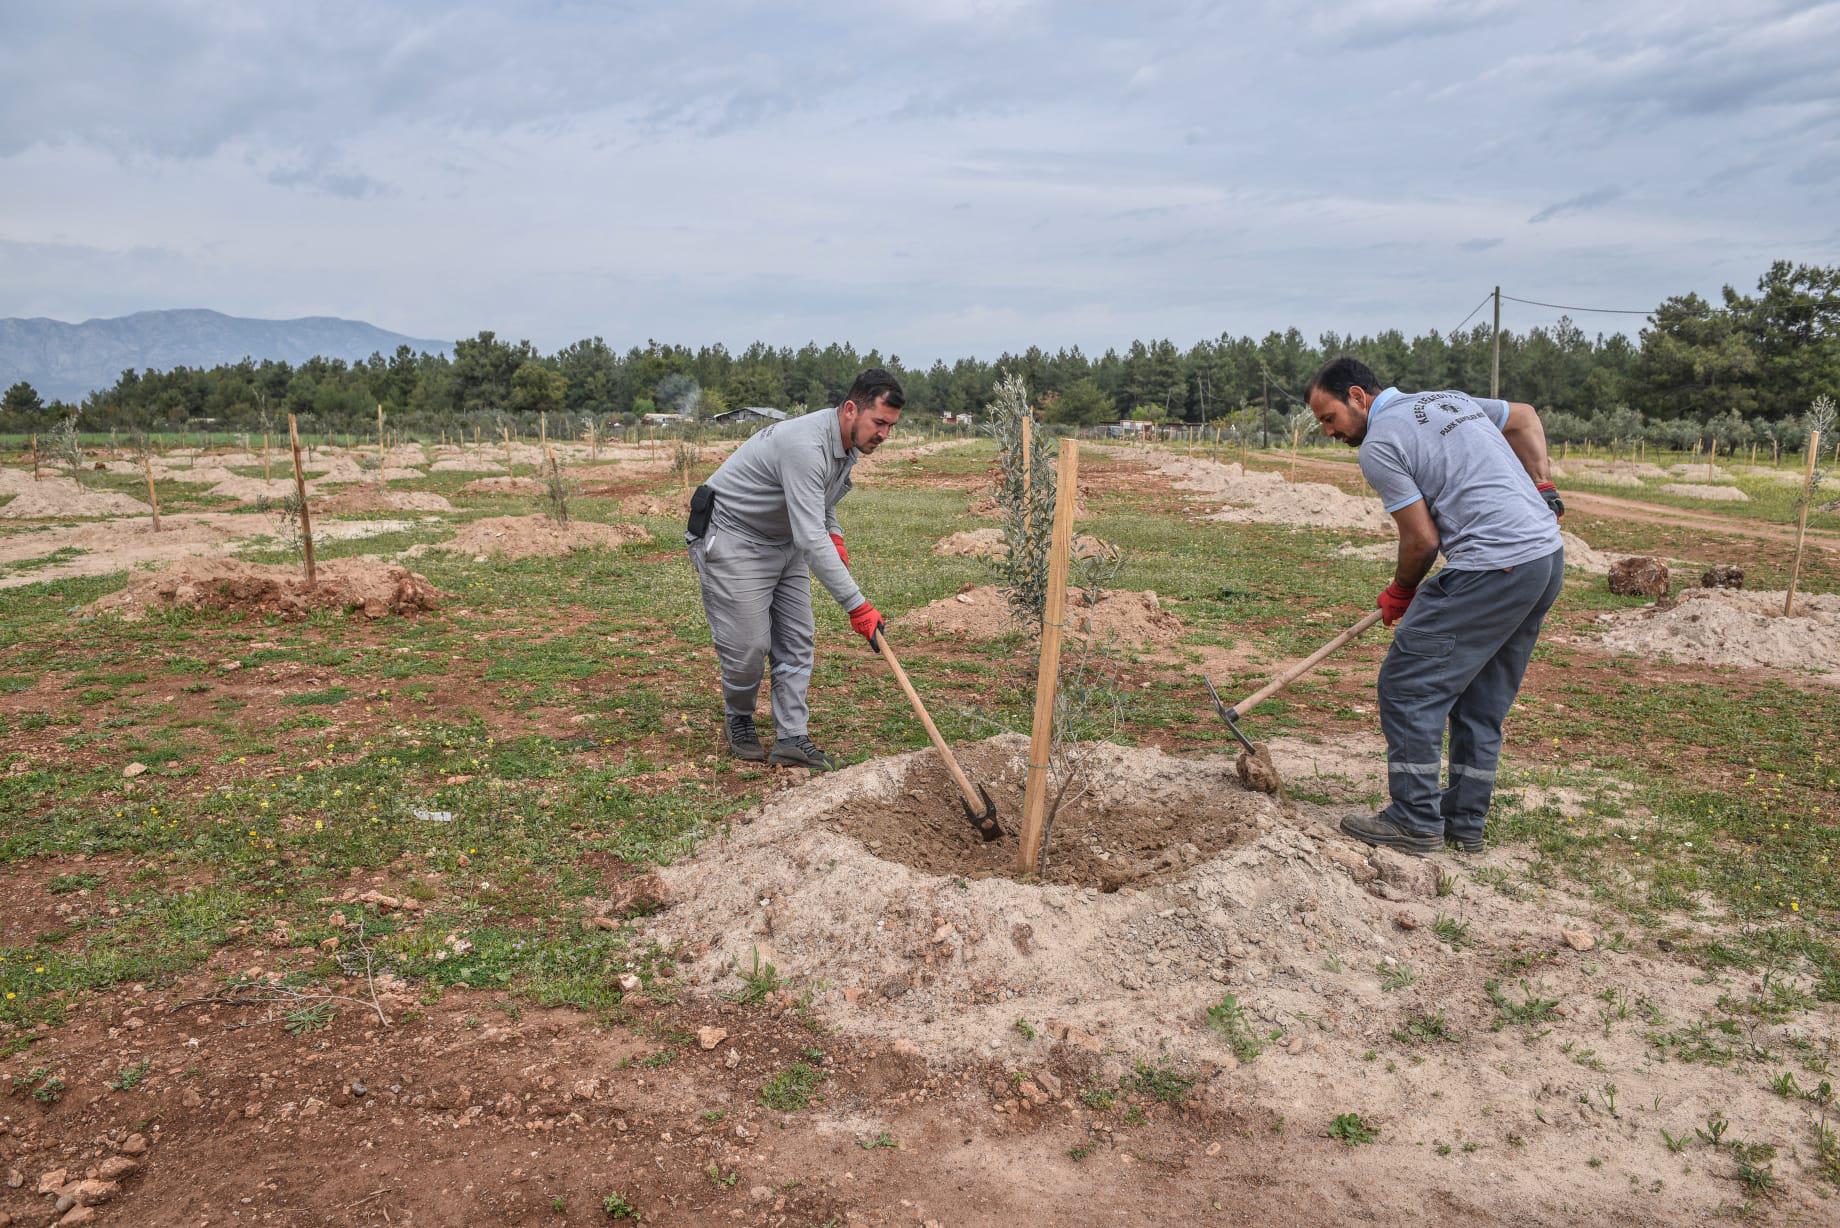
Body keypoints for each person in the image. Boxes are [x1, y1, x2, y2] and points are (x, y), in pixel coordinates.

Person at [1304, 356, 1565, 856]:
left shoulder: (1380, 444)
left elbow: (1421, 541)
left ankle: (1414, 819)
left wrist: (1401, 591)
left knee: (1408, 686)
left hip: (1494, 566)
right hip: (1544, 559)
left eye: (1329, 418)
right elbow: (1526, 416)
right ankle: (1463, 822)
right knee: (1481, 699)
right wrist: (1543, 483)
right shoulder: (1450, 400)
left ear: (1358, 397)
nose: (1328, 432)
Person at [687, 368, 902, 771]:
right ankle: (739, 715)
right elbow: (809, 536)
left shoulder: (847, 444)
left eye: (891, 426)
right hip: (734, 536)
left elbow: (822, 501)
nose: (884, 435)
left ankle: (791, 738)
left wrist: (834, 533)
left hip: (782, 541)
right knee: (748, 648)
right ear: (852, 409)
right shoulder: (805, 444)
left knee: (796, 639)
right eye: (879, 423)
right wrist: (857, 606)